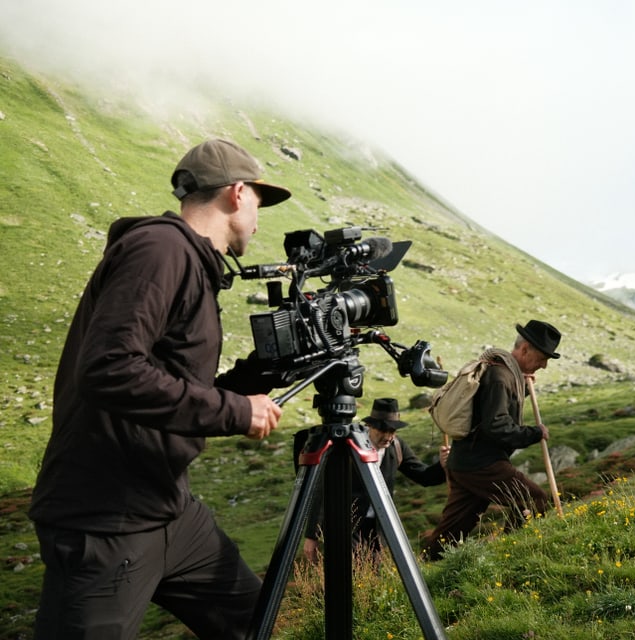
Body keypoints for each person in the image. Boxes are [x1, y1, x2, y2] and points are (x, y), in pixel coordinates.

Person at [28, 139, 292, 639]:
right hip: (106, 520)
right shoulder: (161, 249)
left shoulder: (191, 262)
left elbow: (175, 384)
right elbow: (110, 368)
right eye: (259, 201)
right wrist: (236, 413)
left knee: (256, 624)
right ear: (237, 193)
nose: (259, 217)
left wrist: (261, 374)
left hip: (170, 509)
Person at [422, 319, 562, 560]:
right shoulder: (501, 376)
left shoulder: (501, 371)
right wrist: (534, 433)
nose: (544, 365)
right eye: (542, 358)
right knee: (535, 498)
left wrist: (523, 389)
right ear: (525, 348)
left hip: (465, 462)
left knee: (452, 530)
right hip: (482, 464)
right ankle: (510, 555)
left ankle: (428, 565)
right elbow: (496, 425)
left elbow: (489, 408)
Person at [301, 397, 450, 564]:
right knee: (351, 573)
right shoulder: (349, 447)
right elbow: (323, 490)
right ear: (370, 426)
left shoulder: (397, 447)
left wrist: (443, 465)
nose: (388, 436)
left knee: (372, 577)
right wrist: (312, 535)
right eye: (383, 430)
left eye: (392, 431)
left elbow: (424, 477)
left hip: (379, 528)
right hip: (346, 527)